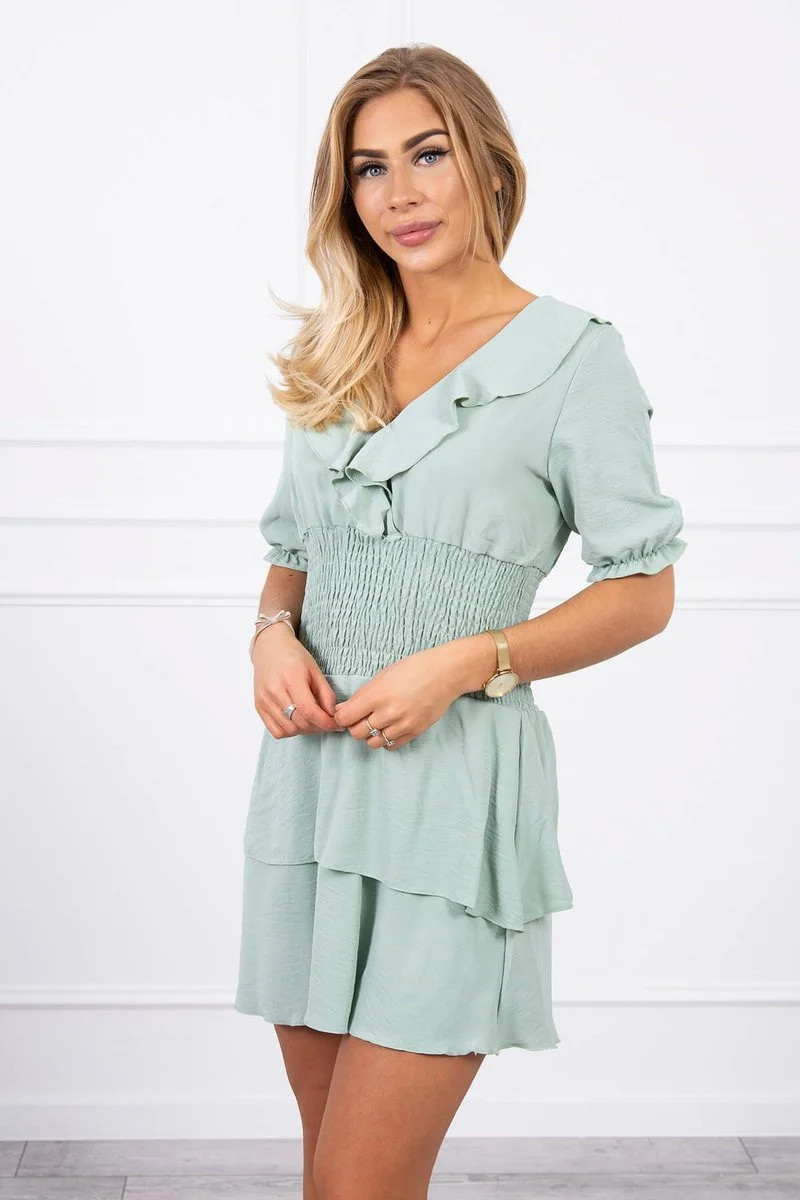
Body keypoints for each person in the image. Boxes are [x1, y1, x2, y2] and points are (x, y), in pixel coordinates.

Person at [234, 44, 687, 1200]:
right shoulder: (333, 349)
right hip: (311, 787)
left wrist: (469, 660)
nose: (399, 193)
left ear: (488, 165)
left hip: (451, 802)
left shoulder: (574, 359)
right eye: (369, 167)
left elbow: (642, 587)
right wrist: (269, 636)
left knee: (359, 1187)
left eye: (426, 155)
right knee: (328, 1181)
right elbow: (292, 555)